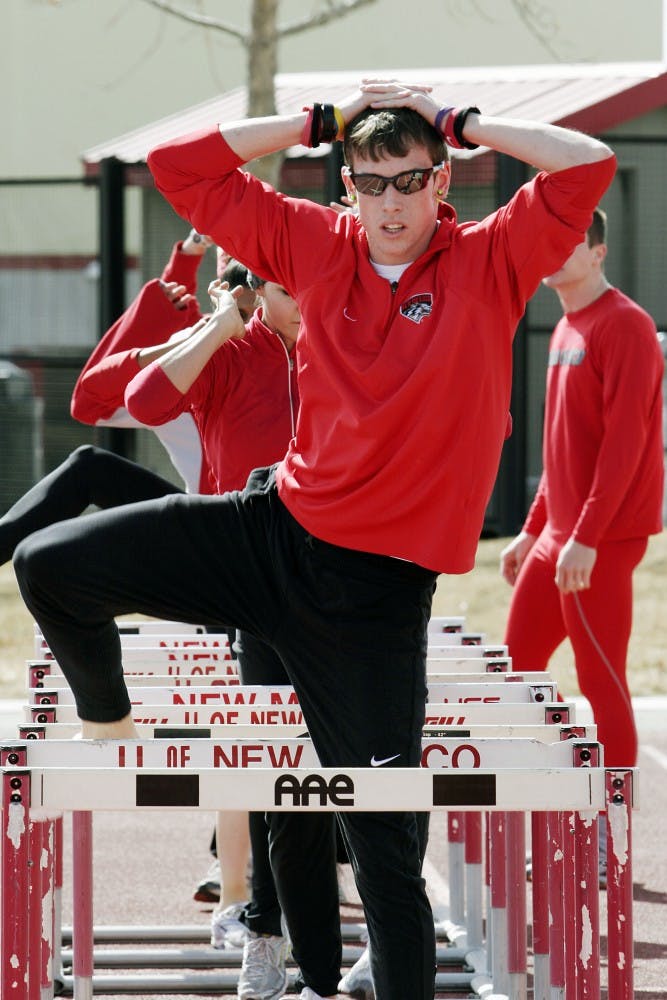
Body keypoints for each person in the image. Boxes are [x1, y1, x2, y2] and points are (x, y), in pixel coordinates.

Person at [14, 80, 615, 1000]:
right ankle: (109, 723)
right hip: (273, 536)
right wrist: (315, 121)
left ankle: (358, 973)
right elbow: (179, 166)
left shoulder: (491, 257)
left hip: (376, 596)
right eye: (370, 183)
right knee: (50, 564)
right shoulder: (314, 241)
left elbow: (588, 163)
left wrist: (460, 121)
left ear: (439, 181)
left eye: (408, 181)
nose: (390, 204)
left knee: (382, 844)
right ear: (346, 188)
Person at [500, 207, 664, 882]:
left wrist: (586, 537)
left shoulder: (624, 325)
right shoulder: (565, 325)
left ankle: (609, 835)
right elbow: (560, 448)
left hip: (602, 541)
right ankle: (549, 815)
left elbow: (626, 445)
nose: (555, 252)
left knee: (601, 684)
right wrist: (532, 527)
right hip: (557, 538)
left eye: (570, 242)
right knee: (514, 671)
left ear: (598, 252)